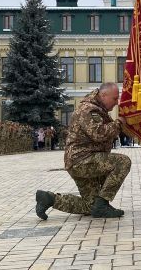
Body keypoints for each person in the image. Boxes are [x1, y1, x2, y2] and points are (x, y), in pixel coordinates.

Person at [35, 82, 131, 219]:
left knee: (91, 206)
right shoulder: (89, 110)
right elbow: (99, 133)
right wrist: (119, 123)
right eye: (115, 98)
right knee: (123, 162)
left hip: (80, 161)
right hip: (82, 160)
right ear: (103, 95)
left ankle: (49, 199)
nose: (117, 103)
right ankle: (103, 204)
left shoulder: (96, 109)